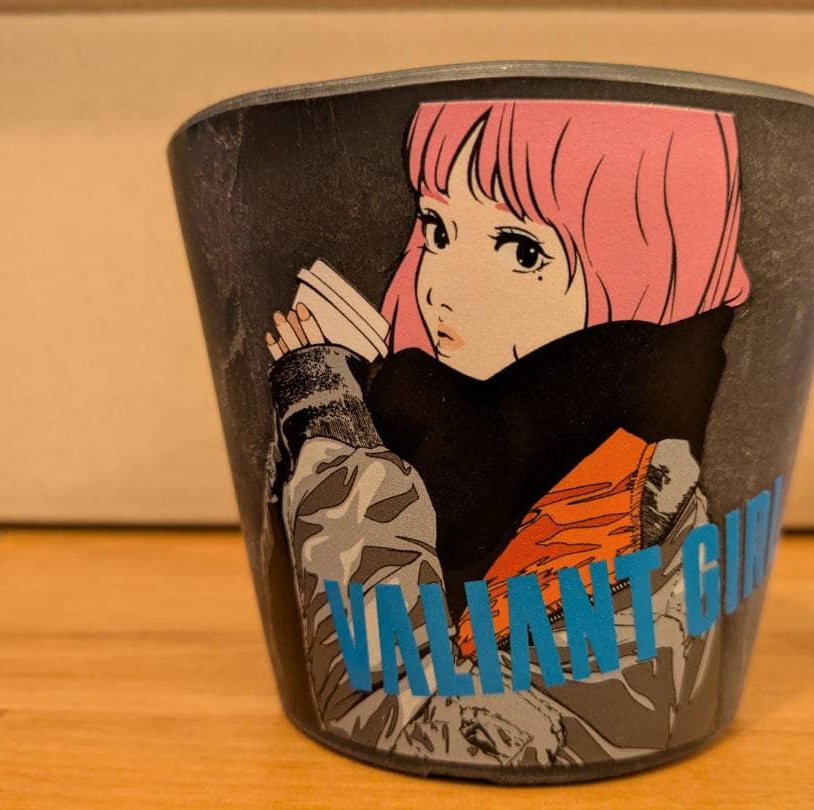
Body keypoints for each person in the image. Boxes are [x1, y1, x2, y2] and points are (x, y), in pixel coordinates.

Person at [262, 99, 750, 770]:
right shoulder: (537, 462)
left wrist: (328, 427)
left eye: (522, 251)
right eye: (437, 230)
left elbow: (403, 717)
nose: (440, 288)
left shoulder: (610, 513)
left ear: (648, 269)